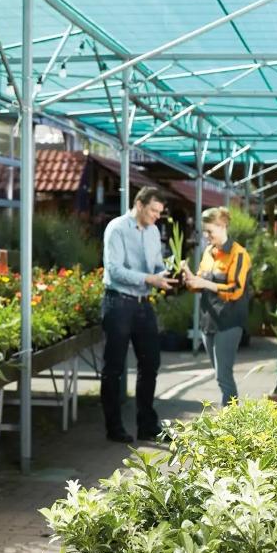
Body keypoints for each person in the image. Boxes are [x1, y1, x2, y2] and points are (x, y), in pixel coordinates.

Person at [100, 186, 177, 443]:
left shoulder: (154, 231)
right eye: (154, 210)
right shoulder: (117, 228)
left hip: (143, 304)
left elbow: (155, 267)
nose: (157, 216)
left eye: (160, 212)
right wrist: (149, 278)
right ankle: (114, 428)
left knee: (151, 363)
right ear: (140, 204)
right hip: (118, 303)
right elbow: (114, 270)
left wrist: (168, 275)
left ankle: (147, 426)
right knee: (114, 368)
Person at [183, 206, 252, 407]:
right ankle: (231, 421)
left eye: (209, 231)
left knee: (224, 375)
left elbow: (236, 289)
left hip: (229, 321)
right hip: (209, 321)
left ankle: (231, 423)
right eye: (204, 231)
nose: (206, 236)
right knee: (219, 375)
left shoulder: (239, 254)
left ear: (222, 226)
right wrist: (190, 278)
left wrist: (204, 283)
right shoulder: (208, 252)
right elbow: (200, 284)